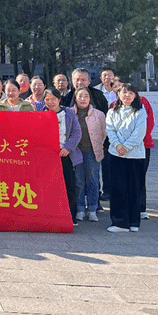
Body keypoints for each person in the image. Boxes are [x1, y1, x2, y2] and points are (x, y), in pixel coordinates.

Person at [105, 83, 147, 233]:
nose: (127, 95)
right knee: (118, 188)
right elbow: (109, 130)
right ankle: (119, 222)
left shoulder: (140, 112)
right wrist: (118, 146)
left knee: (134, 188)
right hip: (116, 154)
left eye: (131, 93)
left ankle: (134, 222)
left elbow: (139, 133)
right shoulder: (111, 112)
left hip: (135, 155)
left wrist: (126, 147)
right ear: (118, 94)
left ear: (135, 96)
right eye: (124, 92)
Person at [43, 87, 82, 226]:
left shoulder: (69, 113)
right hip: (48, 156)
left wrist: (67, 148)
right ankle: (51, 214)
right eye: (47, 99)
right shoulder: (40, 114)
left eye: (53, 99)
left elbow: (77, 132)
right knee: (49, 185)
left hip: (65, 154)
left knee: (69, 185)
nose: (50, 102)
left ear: (59, 100)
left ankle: (71, 215)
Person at [72, 87, 106, 222]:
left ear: (90, 98)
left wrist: (97, 145)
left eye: (86, 96)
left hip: (92, 151)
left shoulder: (99, 114)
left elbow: (103, 133)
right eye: (80, 96)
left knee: (93, 180)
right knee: (78, 180)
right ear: (75, 98)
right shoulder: (70, 113)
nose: (83, 99)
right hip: (76, 152)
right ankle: (80, 209)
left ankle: (92, 209)